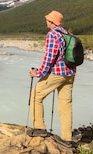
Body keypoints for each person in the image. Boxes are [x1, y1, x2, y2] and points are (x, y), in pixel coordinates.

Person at [28, 10, 76, 142]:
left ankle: (40, 128)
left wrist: (38, 73)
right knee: (65, 105)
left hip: (57, 74)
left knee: (36, 96)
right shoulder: (67, 33)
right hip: (70, 74)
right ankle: (67, 138)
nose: (46, 21)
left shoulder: (53, 34)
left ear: (52, 21)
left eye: (48, 19)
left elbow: (50, 58)